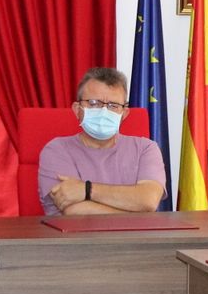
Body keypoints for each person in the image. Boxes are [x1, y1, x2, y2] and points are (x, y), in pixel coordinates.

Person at [38, 67, 167, 215]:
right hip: (77, 231)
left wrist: (86, 190)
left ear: (124, 114)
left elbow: (148, 200)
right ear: (77, 109)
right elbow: (75, 212)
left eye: (113, 106)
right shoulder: (56, 150)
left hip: (134, 232)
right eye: (94, 103)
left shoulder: (146, 148)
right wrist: (138, 215)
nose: (104, 111)